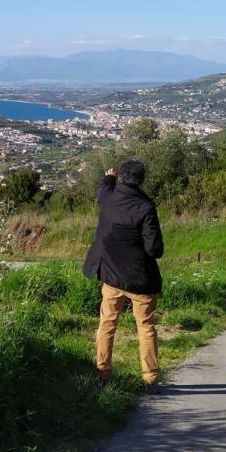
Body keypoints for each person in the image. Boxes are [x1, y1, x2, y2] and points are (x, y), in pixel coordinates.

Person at [83, 159, 164, 388]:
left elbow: (102, 190)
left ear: (121, 178)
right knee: (146, 328)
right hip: (139, 278)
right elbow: (154, 249)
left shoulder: (108, 199)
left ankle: (103, 372)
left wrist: (108, 177)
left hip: (111, 277)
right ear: (141, 180)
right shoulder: (145, 207)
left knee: (107, 325)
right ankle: (150, 378)